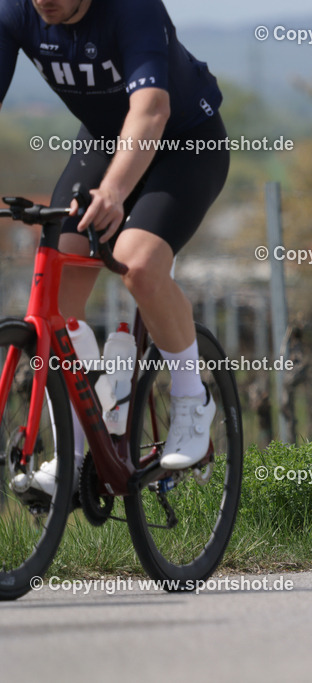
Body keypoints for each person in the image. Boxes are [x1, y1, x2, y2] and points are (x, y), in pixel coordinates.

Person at [2, 0, 230, 497]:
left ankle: (193, 400)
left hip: (184, 144)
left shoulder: (132, 8)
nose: (46, 2)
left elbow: (152, 110)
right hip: (105, 141)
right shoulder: (15, 11)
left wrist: (115, 192)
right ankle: (78, 451)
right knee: (56, 290)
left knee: (139, 263)